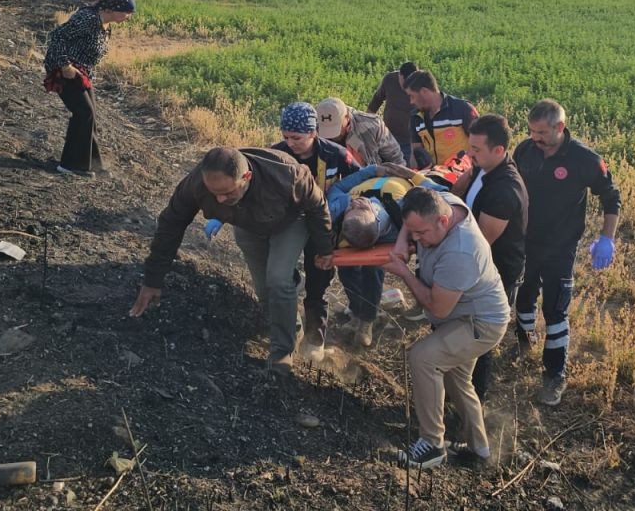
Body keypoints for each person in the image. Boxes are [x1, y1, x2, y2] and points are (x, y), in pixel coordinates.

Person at [131, 146, 334, 375]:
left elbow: (318, 207)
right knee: (265, 290)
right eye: (213, 192)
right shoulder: (197, 183)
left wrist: (324, 249)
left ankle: (282, 352)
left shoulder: (287, 174)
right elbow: (171, 224)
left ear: (246, 177)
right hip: (248, 225)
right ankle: (291, 326)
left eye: (227, 193)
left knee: (277, 279)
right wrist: (152, 279)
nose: (219, 198)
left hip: (290, 221)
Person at [384, 187, 510, 468]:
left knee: (423, 357)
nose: (417, 239)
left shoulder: (462, 251)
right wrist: (403, 240)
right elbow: (413, 208)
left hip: (480, 323)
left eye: (422, 233)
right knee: (456, 378)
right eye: (413, 231)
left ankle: (432, 444)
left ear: (443, 221)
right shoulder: (443, 203)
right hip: (462, 317)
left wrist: (404, 273)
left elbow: (436, 308)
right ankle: (479, 449)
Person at [513, 99, 621, 406]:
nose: (535, 138)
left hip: (560, 246)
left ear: (560, 127)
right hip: (524, 240)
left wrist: (607, 238)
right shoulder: (524, 151)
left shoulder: (583, 159)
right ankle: (523, 341)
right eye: (532, 131)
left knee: (555, 310)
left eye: (542, 132)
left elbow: (610, 196)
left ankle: (554, 375)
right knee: (523, 296)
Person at [270, 102, 361, 359]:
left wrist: (354, 201)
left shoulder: (336, 154)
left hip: (323, 224)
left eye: (296, 137)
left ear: (313, 133)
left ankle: (314, 340)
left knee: (319, 280)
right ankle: (290, 321)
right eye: (285, 136)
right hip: (289, 223)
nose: (290, 143)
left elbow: (360, 179)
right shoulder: (276, 155)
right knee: (281, 275)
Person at [450, 114, 528, 402]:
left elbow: (480, 243)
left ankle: (473, 403)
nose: (470, 154)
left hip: (494, 274)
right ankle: (455, 391)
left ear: (499, 150)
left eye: (477, 149)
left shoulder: (504, 189)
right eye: (470, 147)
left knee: (478, 341)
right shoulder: (484, 169)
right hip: (474, 267)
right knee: (459, 332)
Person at [325, 162, 445, 346]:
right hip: (353, 228)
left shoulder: (404, 206)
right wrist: (371, 171)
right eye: (355, 206)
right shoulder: (340, 206)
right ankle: (357, 311)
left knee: (372, 270)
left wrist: (412, 175)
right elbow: (339, 186)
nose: (358, 202)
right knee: (346, 269)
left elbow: (441, 192)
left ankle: (367, 320)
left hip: (391, 210)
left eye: (358, 206)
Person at [41, 0, 136, 176]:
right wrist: (65, 66)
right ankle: (70, 165)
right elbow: (57, 37)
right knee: (83, 113)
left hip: (82, 73)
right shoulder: (88, 19)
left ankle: (92, 163)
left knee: (89, 116)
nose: (128, 16)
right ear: (112, 8)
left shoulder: (105, 24)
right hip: (65, 71)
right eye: (126, 12)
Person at [405, 70, 478, 170]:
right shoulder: (415, 117)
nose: (411, 101)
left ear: (424, 92)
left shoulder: (462, 109)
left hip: (463, 176)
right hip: (433, 179)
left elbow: (483, 145)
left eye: (412, 96)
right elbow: (415, 153)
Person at [315, 96, 403, 166]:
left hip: (371, 180)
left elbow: (396, 159)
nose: (332, 136)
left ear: (347, 117)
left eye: (336, 128)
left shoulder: (371, 126)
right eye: (326, 129)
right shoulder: (313, 132)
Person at [368, 61, 417, 165]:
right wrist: (368, 125)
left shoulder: (421, 84)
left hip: (409, 142)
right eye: (405, 83)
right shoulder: (389, 80)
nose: (407, 87)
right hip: (387, 138)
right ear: (400, 75)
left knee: (403, 173)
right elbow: (376, 100)